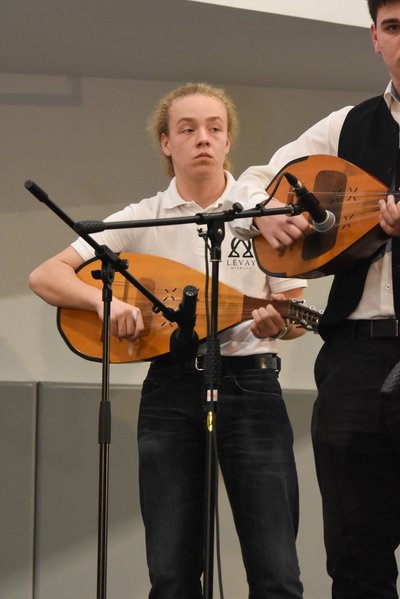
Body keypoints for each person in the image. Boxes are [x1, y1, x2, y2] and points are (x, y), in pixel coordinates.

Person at [29, 82, 307, 599]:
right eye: (188, 129)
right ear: (166, 142)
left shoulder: (264, 214)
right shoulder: (144, 218)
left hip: (252, 387)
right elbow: (46, 276)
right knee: (172, 575)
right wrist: (103, 303)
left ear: (228, 141)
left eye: (215, 128)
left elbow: (293, 314)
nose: (203, 138)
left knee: (277, 574)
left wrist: (281, 325)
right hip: (170, 390)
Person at [228, 2, 400, 598]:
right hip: (355, 356)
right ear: (374, 37)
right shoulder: (346, 127)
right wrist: (263, 216)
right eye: (394, 28)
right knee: (355, 553)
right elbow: (254, 181)